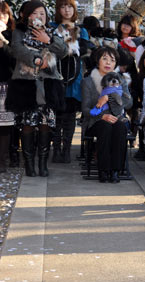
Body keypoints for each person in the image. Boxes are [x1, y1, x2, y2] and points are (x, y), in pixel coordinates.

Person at [6, 0, 67, 177]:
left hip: (49, 83)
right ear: (26, 15)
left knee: (45, 123)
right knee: (27, 124)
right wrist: (37, 60)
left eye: (42, 13)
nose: (39, 16)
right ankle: (29, 164)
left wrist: (48, 40)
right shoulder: (19, 31)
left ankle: (43, 163)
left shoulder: (53, 32)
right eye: (35, 13)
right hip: (26, 83)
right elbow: (17, 49)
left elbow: (62, 52)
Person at [81, 46, 132, 183]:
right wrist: (101, 112)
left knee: (120, 128)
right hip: (95, 121)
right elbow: (85, 109)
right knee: (105, 127)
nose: (108, 63)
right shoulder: (88, 81)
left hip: (117, 119)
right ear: (98, 61)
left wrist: (112, 97)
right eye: (104, 59)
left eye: (112, 60)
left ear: (116, 63)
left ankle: (115, 170)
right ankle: (103, 170)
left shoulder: (119, 79)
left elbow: (129, 103)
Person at [51, 0, 89, 164]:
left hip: (75, 77)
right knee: (55, 116)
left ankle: (66, 149)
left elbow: (85, 52)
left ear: (74, 10)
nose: (66, 10)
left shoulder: (82, 30)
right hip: (54, 74)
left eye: (70, 7)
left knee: (69, 115)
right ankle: (56, 149)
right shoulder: (52, 27)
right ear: (58, 9)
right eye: (63, 6)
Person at [0, 1, 15, 173]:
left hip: (6, 85)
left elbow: (14, 60)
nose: (1, 17)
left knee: (5, 126)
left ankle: (2, 160)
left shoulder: (11, 36)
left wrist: (3, 44)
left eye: (4, 14)